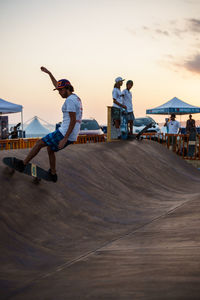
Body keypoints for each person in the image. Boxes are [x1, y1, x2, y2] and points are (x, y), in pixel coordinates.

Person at [14, 66, 83, 182]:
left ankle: (23, 164)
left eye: (61, 90)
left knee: (39, 143)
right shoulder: (76, 98)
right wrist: (49, 73)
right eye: (58, 90)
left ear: (68, 88)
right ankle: (53, 173)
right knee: (50, 149)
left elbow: (73, 120)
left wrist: (65, 138)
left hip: (64, 133)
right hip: (72, 134)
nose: (59, 93)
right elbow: (57, 84)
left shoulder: (70, 101)